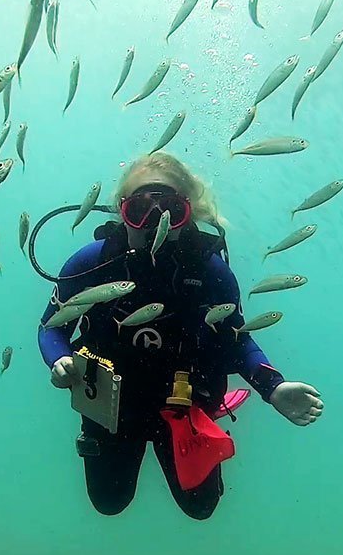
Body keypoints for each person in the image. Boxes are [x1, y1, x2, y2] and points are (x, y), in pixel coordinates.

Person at [37, 152, 325, 520]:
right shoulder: (92, 263)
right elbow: (52, 329)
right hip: (110, 408)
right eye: (139, 209)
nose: (155, 221)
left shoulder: (210, 271)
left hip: (184, 405)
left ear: (188, 213)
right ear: (121, 211)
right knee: (109, 502)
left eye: (171, 208)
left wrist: (272, 387)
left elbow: (236, 339)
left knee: (201, 508)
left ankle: (217, 414)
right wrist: (58, 360)